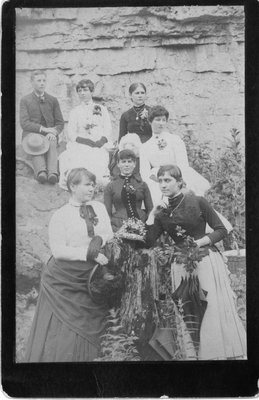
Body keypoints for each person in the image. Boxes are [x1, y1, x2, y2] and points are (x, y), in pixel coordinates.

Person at [145, 165, 246, 360]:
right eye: (160, 181)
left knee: (208, 305)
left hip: (204, 261)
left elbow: (221, 230)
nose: (163, 185)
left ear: (179, 181)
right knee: (187, 307)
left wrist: (198, 243)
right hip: (180, 264)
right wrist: (152, 215)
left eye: (168, 180)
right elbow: (149, 240)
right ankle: (195, 355)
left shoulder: (198, 201)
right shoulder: (162, 211)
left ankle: (215, 353)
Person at [24, 168, 114, 362]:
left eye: (93, 184)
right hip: (64, 279)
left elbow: (109, 233)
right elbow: (58, 251)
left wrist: (99, 241)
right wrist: (89, 254)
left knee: (92, 324)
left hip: (93, 277)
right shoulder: (61, 215)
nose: (92, 188)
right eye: (87, 184)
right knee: (65, 327)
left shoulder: (99, 208)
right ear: (73, 186)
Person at [139, 105, 210, 204]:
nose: (161, 123)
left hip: (177, 174)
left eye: (164, 120)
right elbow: (145, 172)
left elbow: (183, 164)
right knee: (156, 197)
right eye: (158, 120)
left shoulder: (175, 140)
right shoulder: (145, 147)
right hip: (157, 179)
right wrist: (158, 181)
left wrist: (177, 180)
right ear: (150, 121)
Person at [58, 79, 113, 189]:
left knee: (98, 155)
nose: (82, 93)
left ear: (92, 92)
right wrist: (86, 141)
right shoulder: (75, 111)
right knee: (71, 156)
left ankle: (96, 182)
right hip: (80, 143)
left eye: (85, 90)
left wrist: (100, 142)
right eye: (79, 90)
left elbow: (108, 129)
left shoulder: (101, 109)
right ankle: (77, 183)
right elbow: (71, 133)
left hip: (99, 143)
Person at [20, 70, 64, 184]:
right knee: (36, 142)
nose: (42, 83)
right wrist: (43, 129)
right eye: (39, 81)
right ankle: (41, 172)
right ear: (32, 82)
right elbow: (24, 123)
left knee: (52, 141)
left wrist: (53, 132)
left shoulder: (53, 100)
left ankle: (53, 173)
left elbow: (60, 123)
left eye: (44, 80)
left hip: (49, 133)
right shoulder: (25, 100)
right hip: (32, 134)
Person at [104, 149, 153, 232]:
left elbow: (150, 210)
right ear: (118, 164)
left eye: (129, 162)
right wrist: (115, 229)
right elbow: (107, 213)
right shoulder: (111, 186)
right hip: (119, 224)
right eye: (123, 162)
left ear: (134, 164)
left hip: (141, 223)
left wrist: (146, 227)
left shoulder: (142, 184)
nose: (126, 165)